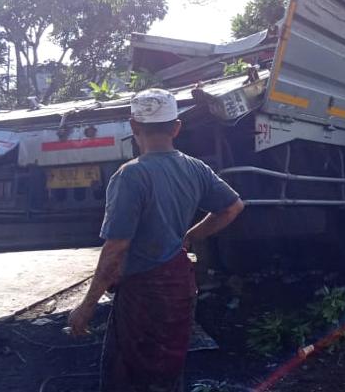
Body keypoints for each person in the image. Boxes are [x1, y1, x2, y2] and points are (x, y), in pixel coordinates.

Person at [68, 88, 244, 391]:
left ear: (134, 127)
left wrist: (86, 306)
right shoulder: (195, 168)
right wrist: (191, 235)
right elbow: (232, 207)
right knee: (168, 369)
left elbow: (116, 249)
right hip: (178, 287)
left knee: (128, 375)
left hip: (143, 295)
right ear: (176, 128)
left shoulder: (130, 176)